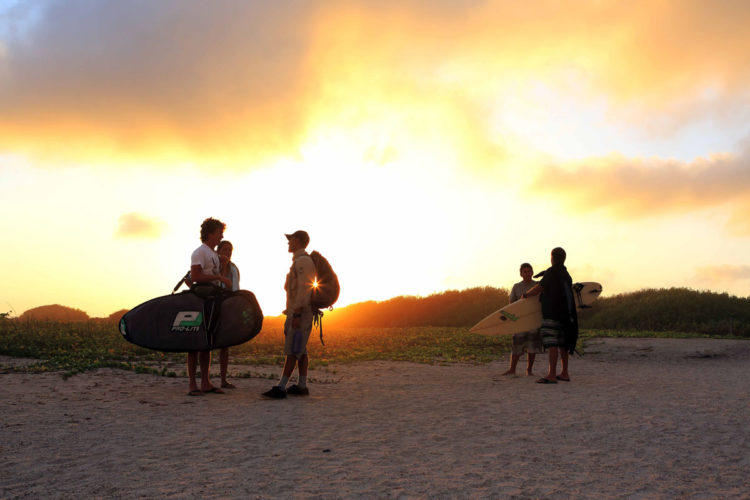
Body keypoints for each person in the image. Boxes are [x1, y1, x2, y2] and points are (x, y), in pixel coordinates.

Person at [263, 230, 316, 399]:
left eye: (290, 239)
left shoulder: (303, 261)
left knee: (293, 348)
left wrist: (298, 312)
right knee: (301, 348)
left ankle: (281, 386)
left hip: (300, 313)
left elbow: (305, 287)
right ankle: (301, 386)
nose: (288, 242)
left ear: (299, 241)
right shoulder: (299, 261)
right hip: (296, 311)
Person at [186, 217, 233, 396]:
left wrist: (222, 267)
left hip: (211, 299)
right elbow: (195, 276)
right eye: (219, 233)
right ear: (211, 233)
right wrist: (219, 278)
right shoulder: (199, 252)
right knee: (194, 342)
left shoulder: (212, 254)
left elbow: (213, 274)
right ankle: (192, 384)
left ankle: (205, 382)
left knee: (207, 342)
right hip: (199, 300)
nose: (221, 236)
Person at [522, 247, 578, 384]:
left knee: (552, 343)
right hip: (565, 314)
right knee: (563, 344)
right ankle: (564, 373)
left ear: (552, 257)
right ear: (564, 258)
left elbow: (539, 288)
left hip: (551, 313)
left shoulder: (551, 272)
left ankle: (551, 375)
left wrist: (526, 295)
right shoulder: (566, 274)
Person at [501, 263, 542, 376]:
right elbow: (511, 304)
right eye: (525, 271)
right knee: (517, 346)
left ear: (532, 273)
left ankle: (529, 370)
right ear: (521, 274)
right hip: (519, 321)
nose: (527, 273)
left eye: (529, 271)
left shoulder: (538, 285)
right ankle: (512, 369)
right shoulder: (516, 287)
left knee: (532, 347)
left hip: (533, 321)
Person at [216, 240, 241, 389]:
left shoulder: (233, 269)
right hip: (210, 306)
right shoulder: (212, 265)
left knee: (224, 346)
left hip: (226, 308)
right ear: (218, 250)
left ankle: (223, 380)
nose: (227, 252)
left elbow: (235, 289)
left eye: (230, 250)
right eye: (225, 249)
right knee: (203, 345)